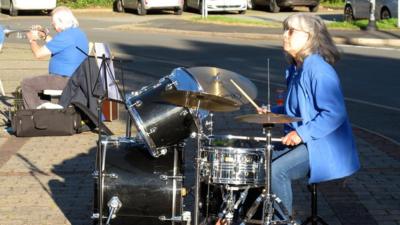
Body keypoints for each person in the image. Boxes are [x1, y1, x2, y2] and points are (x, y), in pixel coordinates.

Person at [258, 13, 360, 219]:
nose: (285, 35)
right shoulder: (297, 69)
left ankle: (282, 222)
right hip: (308, 139)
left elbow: (334, 113)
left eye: (291, 31)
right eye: (284, 30)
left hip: (323, 143)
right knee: (261, 161)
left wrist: (301, 134)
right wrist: (272, 113)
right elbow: (297, 110)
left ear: (309, 37)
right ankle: (263, 216)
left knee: (277, 170)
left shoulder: (318, 69)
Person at [21, 6, 88, 109]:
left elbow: (38, 54)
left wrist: (32, 40)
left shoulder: (65, 36)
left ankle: (36, 115)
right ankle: (47, 109)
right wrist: (43, 36)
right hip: (76, 78)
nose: (53, 26)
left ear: (61, 22)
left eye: (54, 23)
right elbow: (58, 44)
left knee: (27, 84)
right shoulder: (77, 33)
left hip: (64, 79)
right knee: (39, 84)